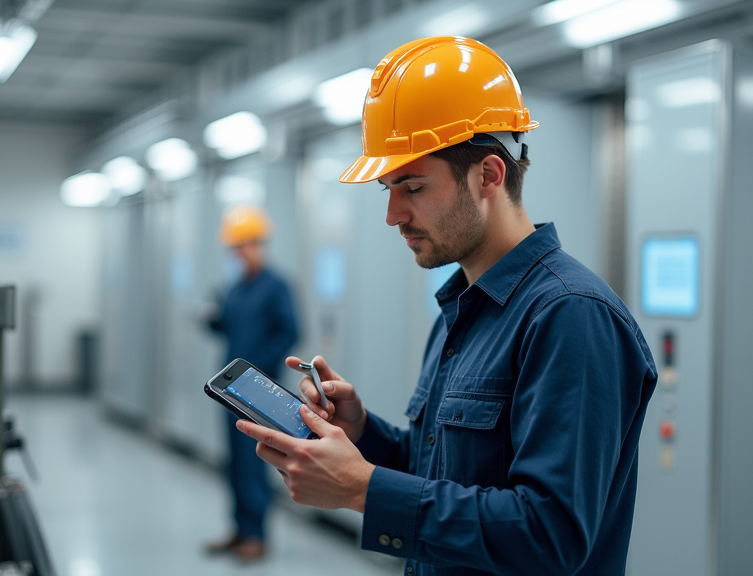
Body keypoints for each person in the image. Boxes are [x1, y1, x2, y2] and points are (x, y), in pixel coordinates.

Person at [235, 36, 657, 575]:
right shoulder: (465, 307)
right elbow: (445, 473)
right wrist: (365, 435)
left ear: (489, 175)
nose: (393, 214)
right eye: (388, 188)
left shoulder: (570, 316)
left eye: (411, 186)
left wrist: (364, 490)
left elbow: (551, 535)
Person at [203, 205, 300, 561]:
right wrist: (211, 318)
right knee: (234, 462)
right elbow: (225, 327)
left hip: (257, 393)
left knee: (253, 460)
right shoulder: (234, 289)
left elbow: (290, 331)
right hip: (228, 392)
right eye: (234, 248)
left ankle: (257, 534)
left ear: (258, 245)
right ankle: (240, 527)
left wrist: (257, 372)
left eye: (243, 247)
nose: (238, 254)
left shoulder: (276, 286)